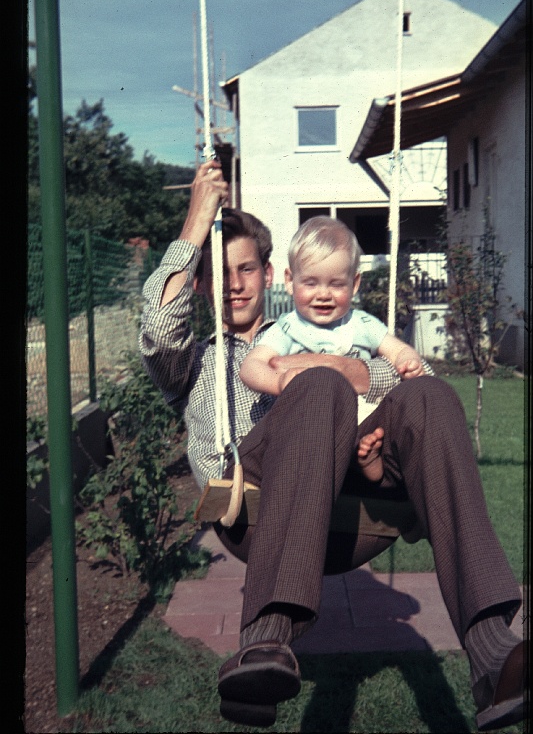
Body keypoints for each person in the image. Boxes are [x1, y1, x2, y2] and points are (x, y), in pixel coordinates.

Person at [140, 160, 526, 731]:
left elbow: (400, 376)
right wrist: (197, 222)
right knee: (319, 386)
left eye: (245, 269)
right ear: (200, 284)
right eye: (219, 274)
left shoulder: (334, 331)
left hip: (356, 509)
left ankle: (493, 650)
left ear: (270, 274)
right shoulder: (195, 363)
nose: (234, 284)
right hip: (255, 512)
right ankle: (265, 637)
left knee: (432, 397)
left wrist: (351, 368)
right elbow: (157, 328)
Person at [240, 215, 425, 481]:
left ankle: (368, 459)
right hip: (309, 424)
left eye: (336, 284)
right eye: (311, 283)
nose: (324, 294)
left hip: (360, 418)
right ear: (290, 281)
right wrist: (279, 381)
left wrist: (407, 361)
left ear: (354, 283)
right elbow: (250, 366)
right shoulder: (288, 328)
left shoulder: (362, 324)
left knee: (378, 423)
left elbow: (398, 350)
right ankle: (361, 461)